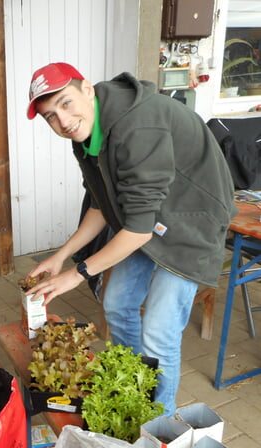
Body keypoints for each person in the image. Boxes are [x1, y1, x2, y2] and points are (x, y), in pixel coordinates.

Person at [24, 62, 237, 417]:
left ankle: (159, 419)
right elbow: (101, 205)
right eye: (50, 116)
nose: (62, 121)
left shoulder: (136, 125)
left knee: (158, 330)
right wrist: (60, 256)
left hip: (192, 222)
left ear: (87, 89)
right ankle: (134, 386)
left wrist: (77, 272)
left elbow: (137, 231)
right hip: (146, 219)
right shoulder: (87, 133)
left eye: (65, 103)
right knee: (117, 304)